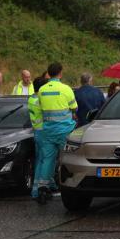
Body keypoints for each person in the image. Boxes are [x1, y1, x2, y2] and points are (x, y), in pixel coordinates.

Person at [34, 63, 78, 204]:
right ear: (60, 73)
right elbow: (74, 107)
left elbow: (41, 108)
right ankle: (69, 185)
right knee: (66, 159)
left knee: (47, 159)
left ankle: (42, 188)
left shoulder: (42, 90)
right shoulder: (66, 89)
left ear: (49, 73)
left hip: (48, 131)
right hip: (65, 131)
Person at [28, 76, 49, 200]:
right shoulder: (40, 101)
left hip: (36, 131)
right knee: (43, 160)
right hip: (43, 132)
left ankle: (47, 184)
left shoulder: (31, 98)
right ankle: (36, 190)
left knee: (40, 160)